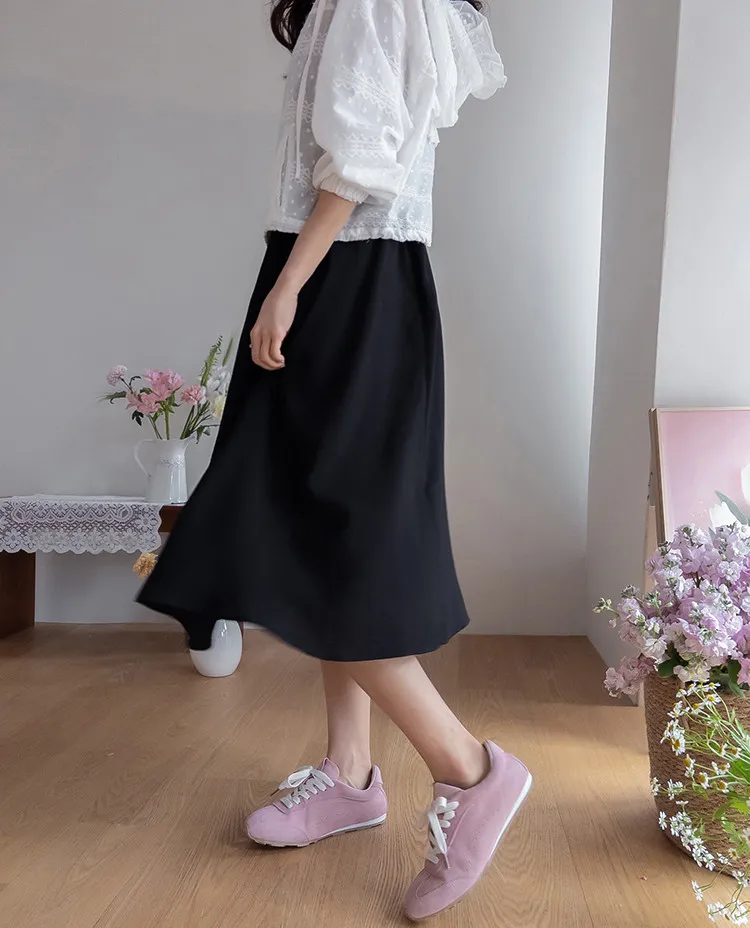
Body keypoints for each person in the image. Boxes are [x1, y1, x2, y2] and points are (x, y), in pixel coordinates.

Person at [137, 0, 531, 919]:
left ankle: (471, 770)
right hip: (369, 280)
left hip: (343, 278)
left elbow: (358, 158)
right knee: (329, 533)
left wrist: (288, 285)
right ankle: (350, 775)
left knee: (300, 533)